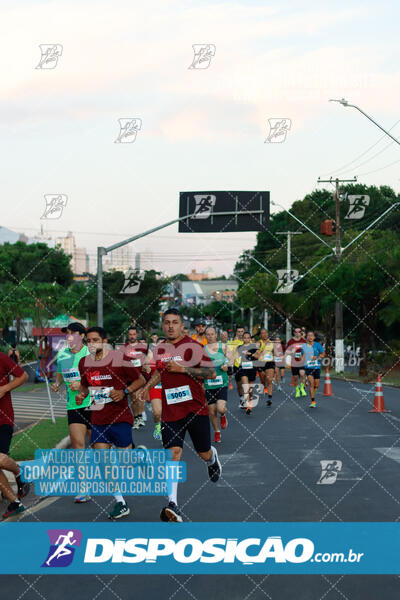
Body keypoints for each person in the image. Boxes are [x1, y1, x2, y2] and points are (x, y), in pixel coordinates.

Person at [137, 308, 221, 522]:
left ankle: (212, 460)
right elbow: (160, 371)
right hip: (171, 411)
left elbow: (210, 373)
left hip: (195, 408)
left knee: (203, 453)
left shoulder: (193, 347)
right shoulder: (160, 349)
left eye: (175, 322)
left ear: (182, 325)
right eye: (167, 322)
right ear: (163, 325)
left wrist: (183, 370)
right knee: (173, 454)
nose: (171, 326)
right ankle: (172, 503)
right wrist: (147, 387)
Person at [76, 327, 145, 520]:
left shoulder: (119, 358)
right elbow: (84, 384)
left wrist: (123, 392)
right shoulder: (84, 362)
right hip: (98, 419)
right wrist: (82, 394)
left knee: (124, 462)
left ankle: (137, 456)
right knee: (103, 462)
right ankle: (120, 502)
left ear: (104, 340)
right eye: (88, 341)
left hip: (120, 417)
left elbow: (140, 380)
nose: (91, 344)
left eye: (95, 340)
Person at [52, 322, 92, 503]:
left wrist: (83, 384)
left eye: (72, 333)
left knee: (102, 446)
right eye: (67, 334)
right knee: (78, 445)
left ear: (82, 336)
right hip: (73, 405)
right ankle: (84, 487)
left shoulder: (89, 353)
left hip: (94, 404)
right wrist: (57, 383)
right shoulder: (62, 355)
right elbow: (60, 373)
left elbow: (100, 377)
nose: (69, 337)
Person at [0, 353, 29, 519]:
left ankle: (19, 472)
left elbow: (23, 376)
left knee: (1, 459)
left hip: (3, 419)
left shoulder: (2, 358)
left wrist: (4, 389)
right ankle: (15, 503)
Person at [204, 327, 230, 443]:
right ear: (205, 336)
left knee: (220, 408)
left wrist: (226, 366)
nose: (210, 336)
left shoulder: (223, 347)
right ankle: (216, 431)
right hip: (209, 384)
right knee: (212, 410)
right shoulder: (202, 350)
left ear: (216, 335)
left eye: (212, 334)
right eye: (208, 334)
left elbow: (230, 359)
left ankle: (223, 415)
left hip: (222, 382)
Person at [122, 326, 150, 430]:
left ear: (137, 335)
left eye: (134, 334)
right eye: (130, 334)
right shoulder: (124, 347)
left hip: (140, 376)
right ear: (128, 335)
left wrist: (146, 365)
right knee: (133, 398)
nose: (132, 336)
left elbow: (149, 358)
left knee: (137, 396)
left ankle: (140, 417)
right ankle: (137, 417)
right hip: (129, 376)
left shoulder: (143, 347)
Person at [233, 332, 258, 414]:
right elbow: (236, 357)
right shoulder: (239, 347)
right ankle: (247, 405)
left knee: (250, 389)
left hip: (252, 368)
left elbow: (258, 356)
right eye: (245, 338)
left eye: (248, 338)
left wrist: (250, 354)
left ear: (250, 339)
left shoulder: (254, 346)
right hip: (243, 368)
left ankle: (250, 403)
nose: (246, 339)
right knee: (246, 386)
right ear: (242, 339)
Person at [301, 331, 325, 408]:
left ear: (314, 337)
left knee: (316, 385)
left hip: (317, 367)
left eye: (311, 336)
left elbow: (323, 354)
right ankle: (313, 402)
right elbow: (301, 356)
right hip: (308, 367)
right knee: (311, 384)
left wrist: (317, 357)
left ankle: (314, 389)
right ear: (306, 337)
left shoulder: (317, 345)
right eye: (308, 335)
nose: (310, 337)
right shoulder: (304, 346)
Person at [253, 329, 274, 406]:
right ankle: (264, 387)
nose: (264, 334)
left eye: (265, 333)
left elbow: (275, 352)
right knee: (263, 379)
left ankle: (270, 398)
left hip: (270, 362)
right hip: (261, 363)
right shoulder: (259, 343)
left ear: (267, 334)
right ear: (260, 335)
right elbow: (256, 354)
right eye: (262, 333)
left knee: (269, 379)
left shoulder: (271, 343)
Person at [286, 328, 307, 398]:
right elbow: (286, 352)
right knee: (295, 377)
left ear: (301, 333)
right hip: (294, 362)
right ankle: (297, 390)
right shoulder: (291, 341)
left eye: (299, 332)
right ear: (294, 333)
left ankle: (302, 388)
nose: (297, 333)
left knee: (302, 374)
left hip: (302, 361)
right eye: (296, 332)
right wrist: (292, 352)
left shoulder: (303, 341)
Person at [227, 326, 244, 398]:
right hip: (237, 365)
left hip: (246, 365)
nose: (240, 333)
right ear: (236, 333)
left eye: (242, 331)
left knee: (246, 383)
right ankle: (241, 398)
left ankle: (247, 399)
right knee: (239, 385)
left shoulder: (247, 341)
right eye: (239, 332)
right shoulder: (232, 342)